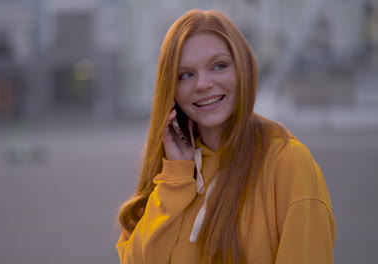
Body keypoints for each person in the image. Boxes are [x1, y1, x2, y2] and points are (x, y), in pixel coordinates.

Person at [116, 9, 335, 264]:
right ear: (171, 90)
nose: (203, 84)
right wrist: (176, 179)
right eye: (185, 74)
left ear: (243, 68)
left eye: (218, 66)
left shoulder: (288, 163)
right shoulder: (175, 171)